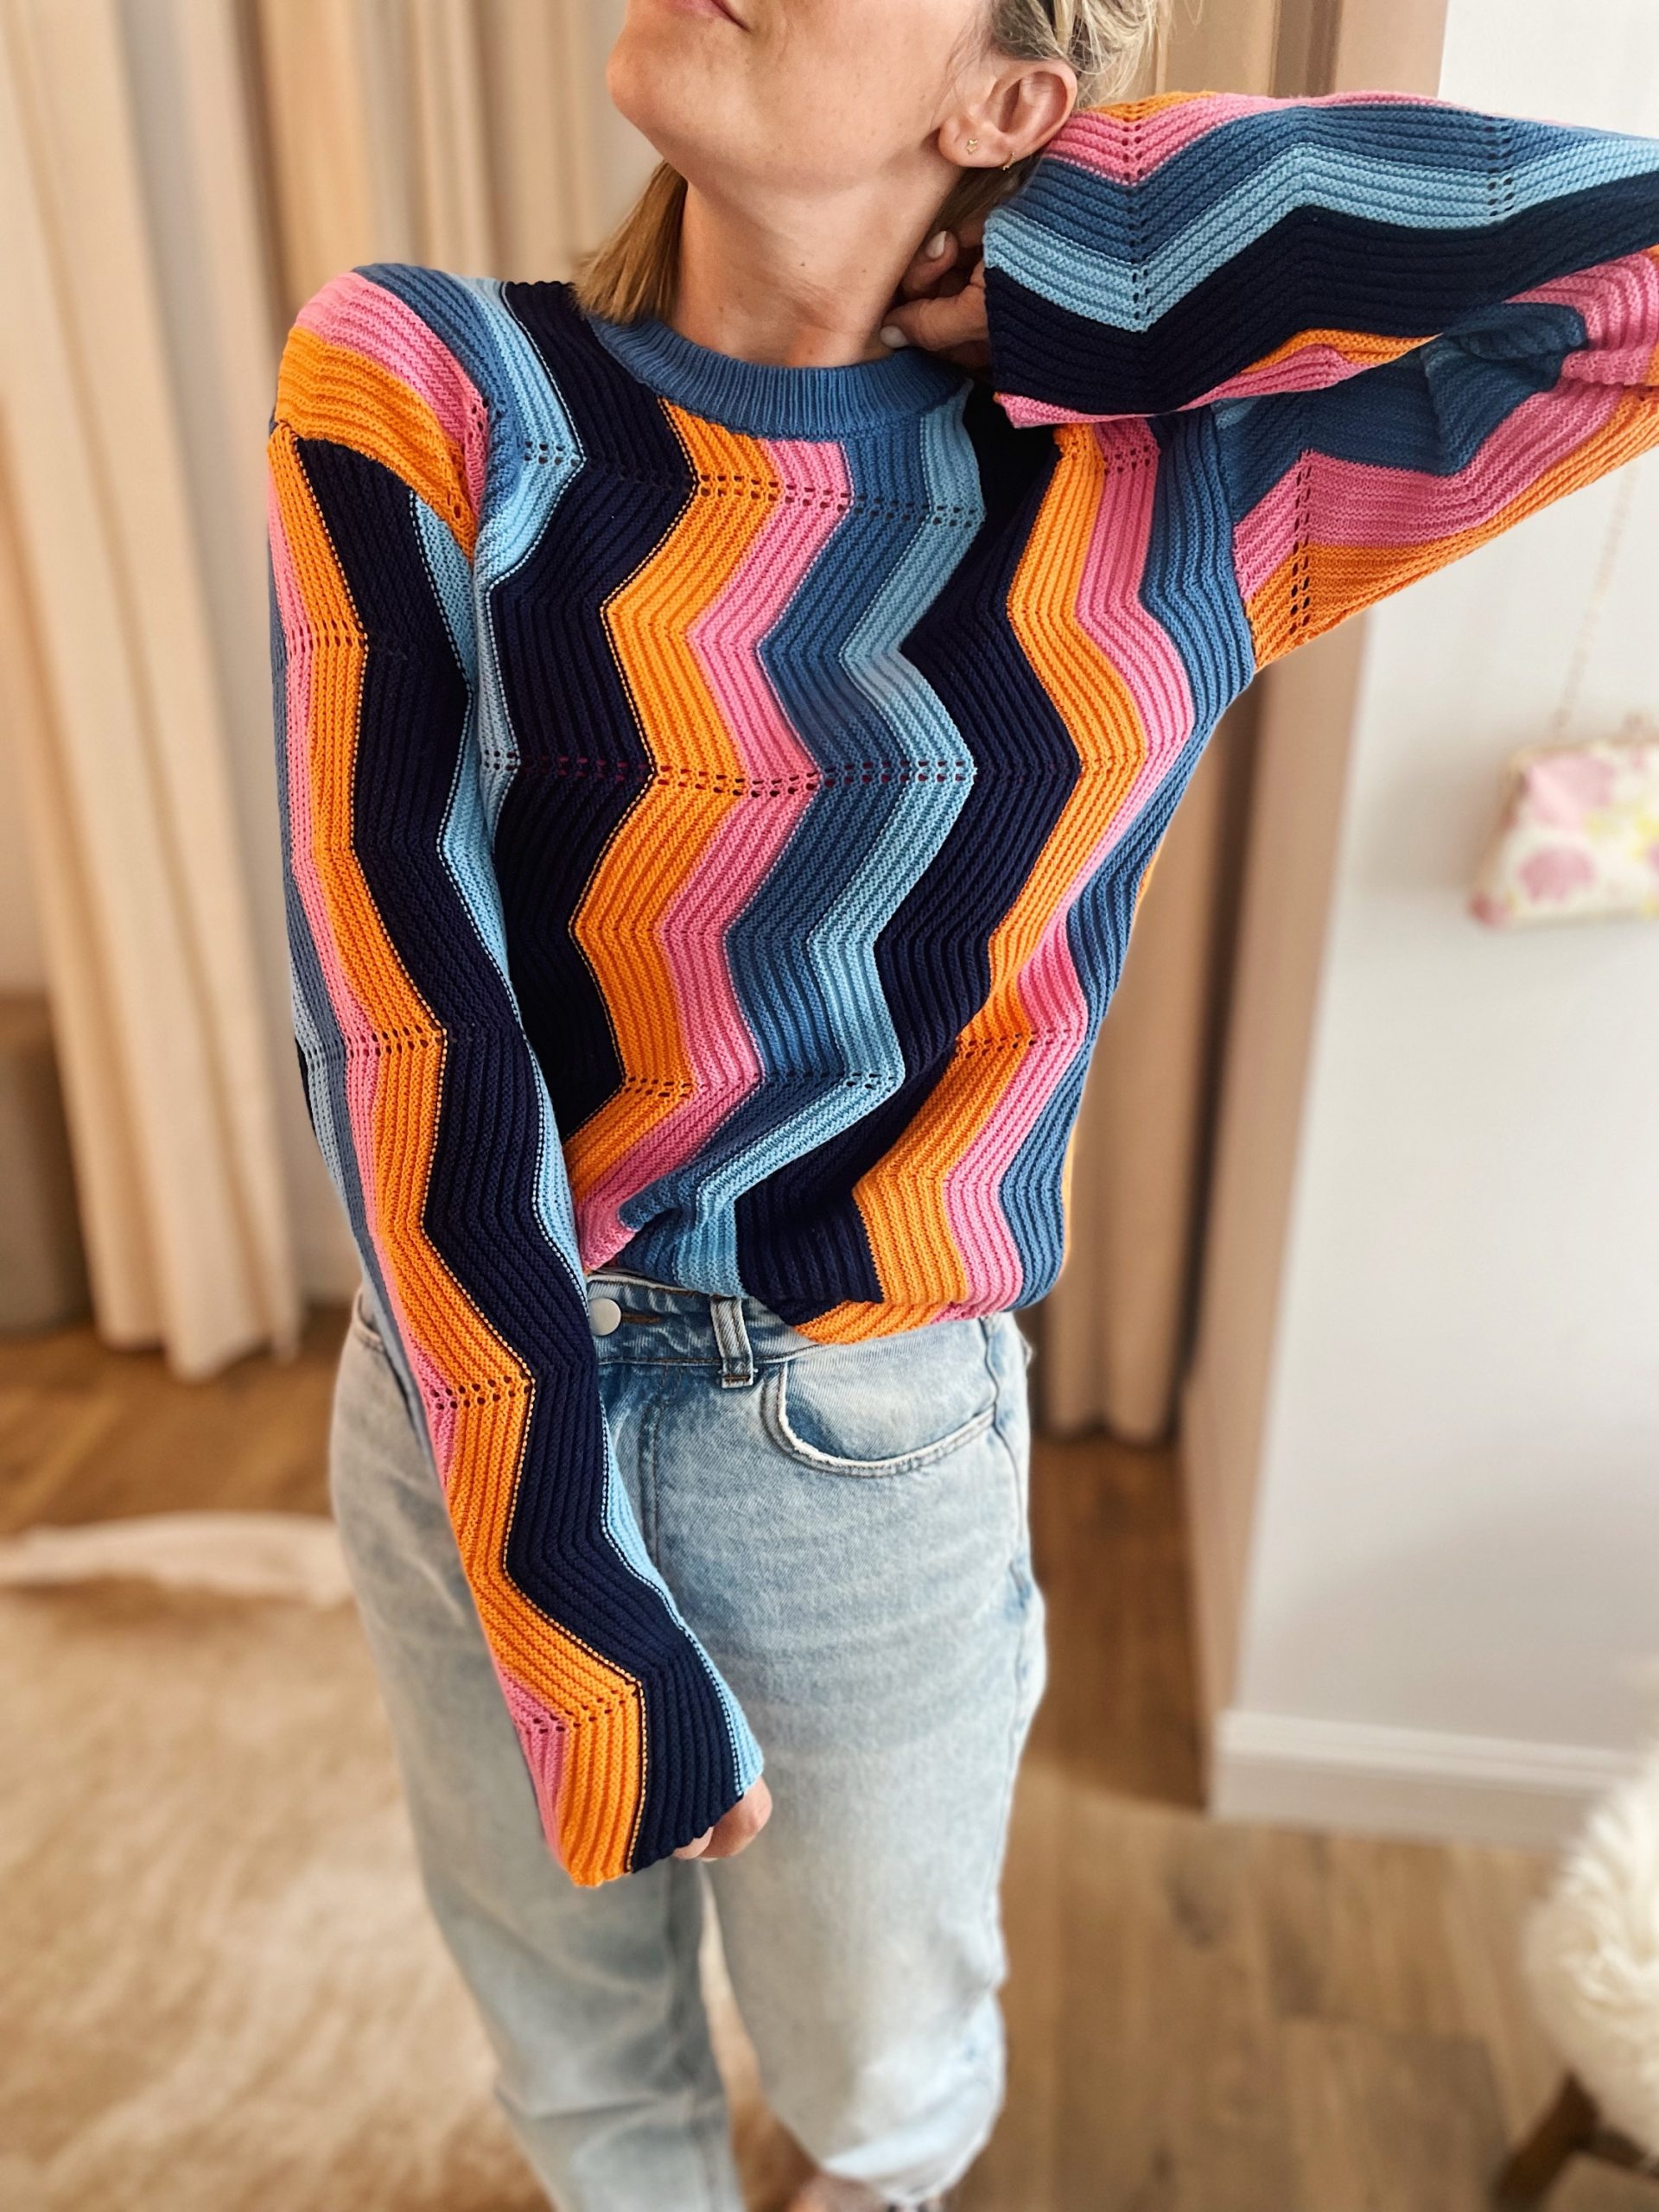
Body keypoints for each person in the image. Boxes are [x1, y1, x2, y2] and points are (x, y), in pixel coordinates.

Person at [264, 0, 1659, 2204]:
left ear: (1006, 92)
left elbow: (1632, 281)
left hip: (858, 1445)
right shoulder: (429, 383)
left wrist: (1105, 225)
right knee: (569, 2035)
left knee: (882, 2074)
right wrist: (558, 1587)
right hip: (460, 1385)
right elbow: (399, 1002)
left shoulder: (1189, 490)